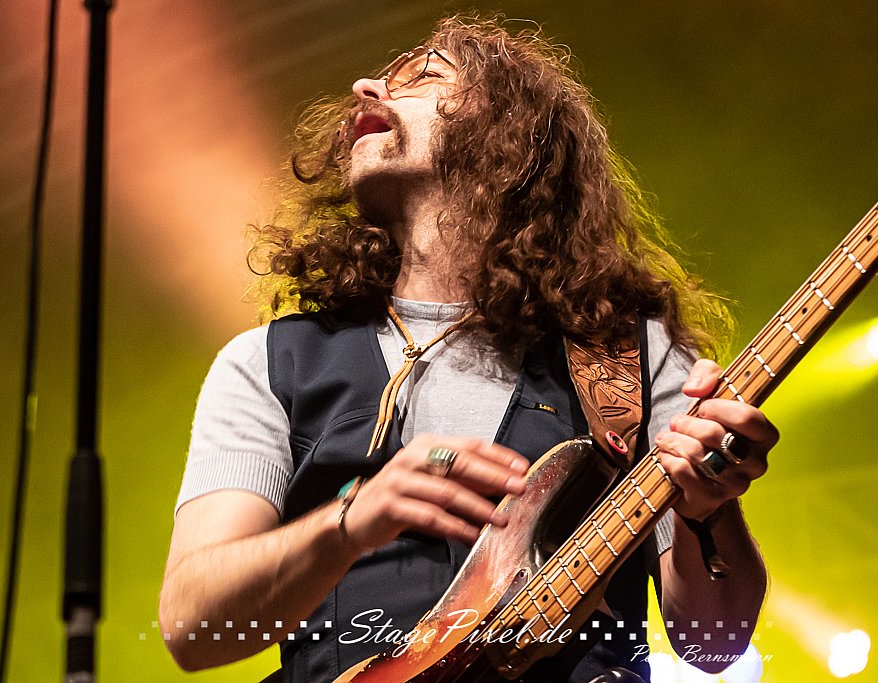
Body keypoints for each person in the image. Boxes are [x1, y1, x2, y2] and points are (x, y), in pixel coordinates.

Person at [159, 15, 777, 683]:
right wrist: (350, 522)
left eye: (421, 75)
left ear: (510, 135)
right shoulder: (268, 363)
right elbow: (195, 629)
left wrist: (710, 513)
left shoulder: (630, 355)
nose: (366, 87)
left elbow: (713, 645)